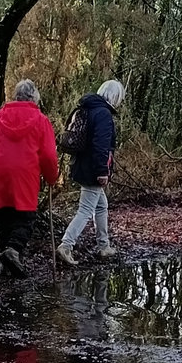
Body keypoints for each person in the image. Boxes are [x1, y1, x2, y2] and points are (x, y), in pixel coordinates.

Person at [0, 78, 59, 276]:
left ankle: (5, 266)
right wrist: (51, 177)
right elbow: (48, 155)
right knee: (24, 219)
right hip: (24, 174)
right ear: (34, 98)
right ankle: (13, 251)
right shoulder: (41, 120)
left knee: (2, 218)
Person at [56, 79, 124, 268]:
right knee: (86, 210)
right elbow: (101, 145)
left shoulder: (87, 109)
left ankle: (104, 246)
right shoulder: (103, 114)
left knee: (101, 206)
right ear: (115, 97)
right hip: (93, 169)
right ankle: (66, 245)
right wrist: (102, 171)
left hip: (81, 165)